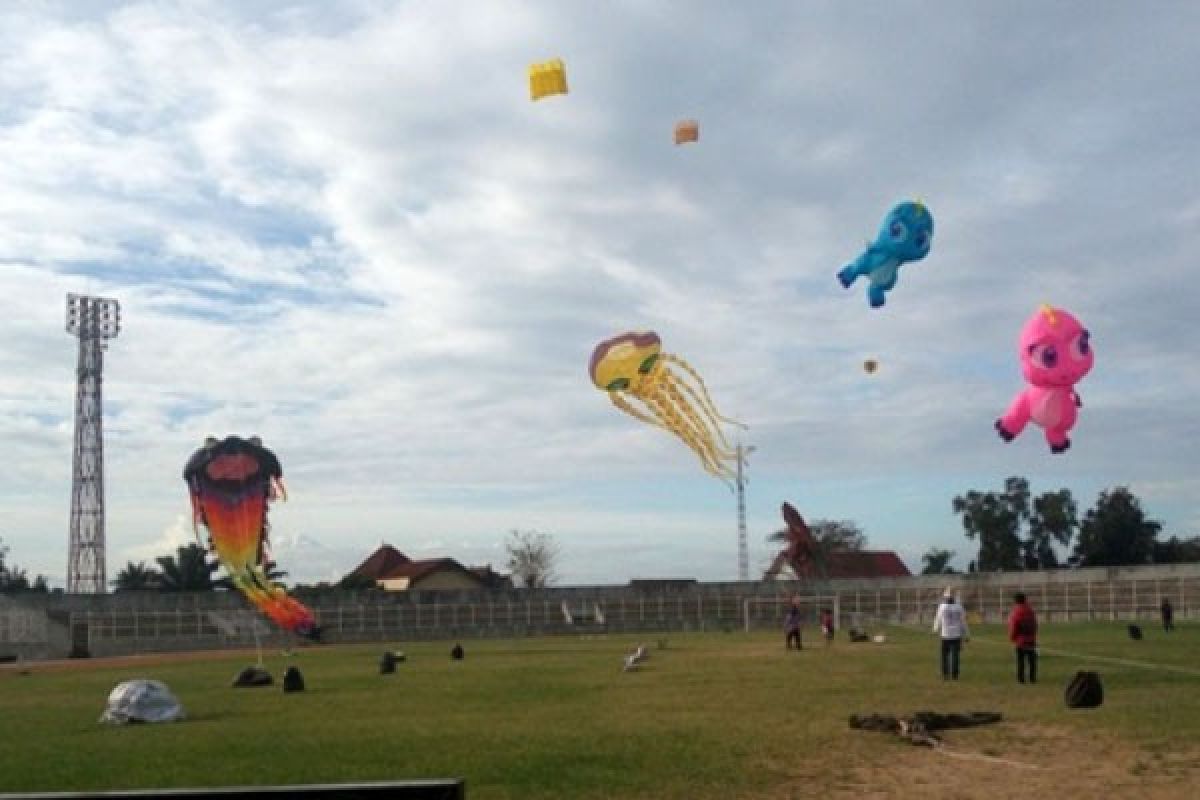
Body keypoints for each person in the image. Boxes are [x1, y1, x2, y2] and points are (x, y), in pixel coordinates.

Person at [932, 588, 968, 680]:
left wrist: (935, 629)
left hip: (945, 635)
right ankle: (955, 675)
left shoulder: (942, 607)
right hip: (956, 635)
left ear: (946, 597)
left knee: (944, 656)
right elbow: (963, 622)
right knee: (955, 656)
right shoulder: (959, 607)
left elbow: (938, 619)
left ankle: (945, 675)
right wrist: (967, 634)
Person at [1007, 592, 1038, 684]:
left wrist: (1012, 637)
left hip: (1020, 641)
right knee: (1032, 660)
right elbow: (1035, 624)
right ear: (1025, 599)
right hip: (1031, 639)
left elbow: (1014, 626)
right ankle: (1032, 678)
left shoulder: (1016, 612)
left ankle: (1021, 679)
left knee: (1020, 661)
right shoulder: (1031, 611)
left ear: (1015, 601)